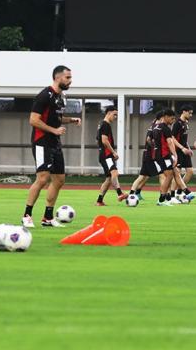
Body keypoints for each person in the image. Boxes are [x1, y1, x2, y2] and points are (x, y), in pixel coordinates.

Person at [22, 65, 81, 228]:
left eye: (70, 77)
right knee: (42, 179)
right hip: (41, 142)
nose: (70, 80)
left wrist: (71, 120)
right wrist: (54, 130)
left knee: (60, 180)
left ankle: (47, 218)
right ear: (57, 77)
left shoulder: (61, 97)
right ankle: (26, 215)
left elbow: (56, 118)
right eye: (67, 77)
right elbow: (33, 120)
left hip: (54, 142)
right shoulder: (44, 95)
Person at [94, 105, 127, 206]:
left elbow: (97, 140)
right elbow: (104, 140)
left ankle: (99, 201)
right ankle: (119, 193)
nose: (115, 117)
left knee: (109, 179)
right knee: (114, 173)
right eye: (114, 114)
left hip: (103, 154)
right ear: (108, 113)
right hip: (107, 155)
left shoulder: (100, 124)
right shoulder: (105, 125)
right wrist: (113, 152)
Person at [129, 112, 162, 200]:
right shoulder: (155, 127)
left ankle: (133, 193)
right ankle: (163, 197)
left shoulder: (153, 125)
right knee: (163, 174)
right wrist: (155, 147)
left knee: (143, 176)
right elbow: (148, 139)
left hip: (147, 155)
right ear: (162, 118)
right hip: (151, 156)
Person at [171, 105, 196, 201]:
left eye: (191, 113)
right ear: (184, 112)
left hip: (185, 150)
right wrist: (182, 148)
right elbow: (172, 138)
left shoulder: (186, 123)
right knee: (177, 173)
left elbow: (184, 139)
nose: (191, 115)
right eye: (189, 113)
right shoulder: (177, 123)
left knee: (190, 172)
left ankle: (179, 192)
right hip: (178, 151)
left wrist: (189, 148)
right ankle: (172, 195)